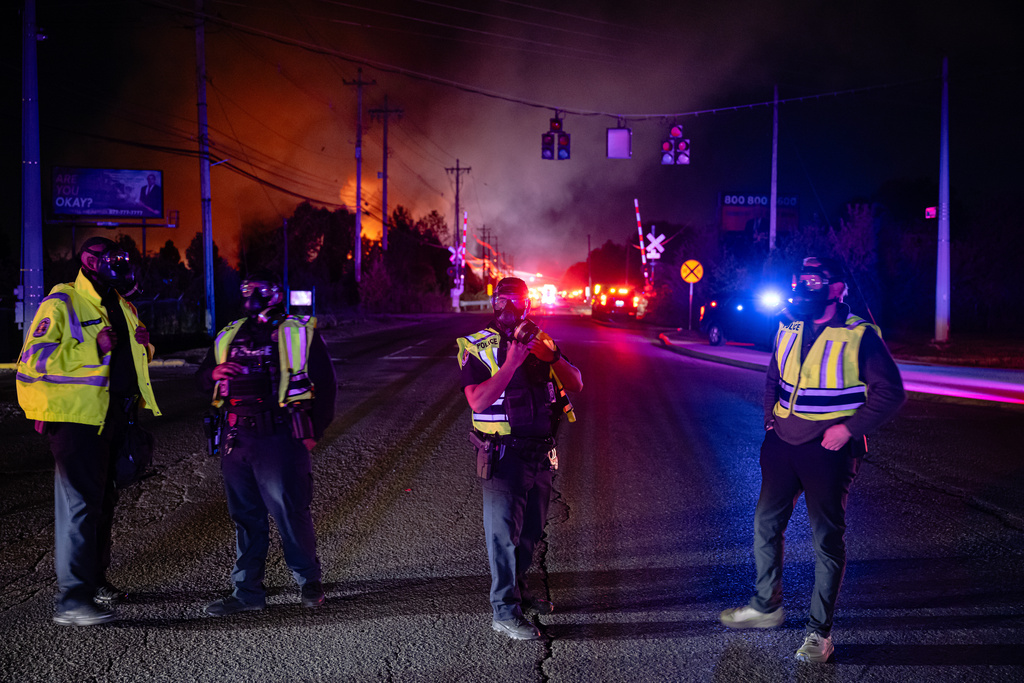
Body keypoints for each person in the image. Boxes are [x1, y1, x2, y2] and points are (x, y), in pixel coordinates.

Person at [720, 257, 906, 662]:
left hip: (829, 451)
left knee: (826, 540)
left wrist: (847, 431)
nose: (805, 288)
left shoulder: (859, 335)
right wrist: (770, 420)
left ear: (837, 288)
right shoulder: (788, 323)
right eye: (801, 280)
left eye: (815, 281)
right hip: (782, 445)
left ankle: (819, 634)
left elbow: (891, 392)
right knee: (765, 525)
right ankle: (766, 606)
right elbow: (774, 375)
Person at [16, 236, 160, 626]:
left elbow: (127, 356)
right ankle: (72, 600)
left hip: (114, 417)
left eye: (123, 259)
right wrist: (92, 348)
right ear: (89, 261)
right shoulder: (61, 301)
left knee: (102, 504)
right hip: (76, 420)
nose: (120, 265)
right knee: (79, 507)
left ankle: (95, 582)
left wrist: (145, 347)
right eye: (113, 259)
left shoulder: (120, 302)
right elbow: (34, 359)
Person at [195, 270, 336, 616]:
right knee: (245, 517)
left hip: (279, 435)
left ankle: (308, 582)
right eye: (247, 290)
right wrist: (212, 374)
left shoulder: (298, 330)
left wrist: (312, 433)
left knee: (290, 511)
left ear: (275, 293)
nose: (251, 296)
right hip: (236, 436)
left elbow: (326, 384)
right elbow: (202, 376)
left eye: (258, 290)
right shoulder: (230, 332)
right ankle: (247, 592)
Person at [457, 277, 583, 640]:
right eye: (502, 301)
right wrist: (511, 363)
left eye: (516, 300)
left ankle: (522, 592)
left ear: (529, 303)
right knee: (503, 537)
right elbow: (477, 400)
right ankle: (504, 611)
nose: (509, 309)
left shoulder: (541, 340)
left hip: (540, 453)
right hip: (503, 455)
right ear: (493, 304)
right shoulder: (478, 346)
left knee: (530, 533)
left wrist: (553, 356)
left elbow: (575, 383)